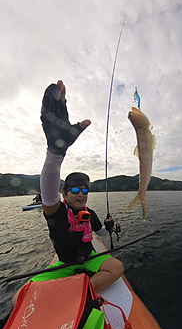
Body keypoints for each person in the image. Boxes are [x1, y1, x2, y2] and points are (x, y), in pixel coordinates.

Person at [15, 80, 124, 299]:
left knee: (117, 267)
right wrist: (56, 153)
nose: (81, 194)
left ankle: (80, 293)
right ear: (64, 194)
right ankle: (79, 289)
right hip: (64, 263)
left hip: (91, 258)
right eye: (74, 190)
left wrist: (109, 227)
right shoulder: (57, 212)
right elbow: (48, 188)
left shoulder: (89, 214)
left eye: (84, 191)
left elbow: (99, 231)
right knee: (20, 296)